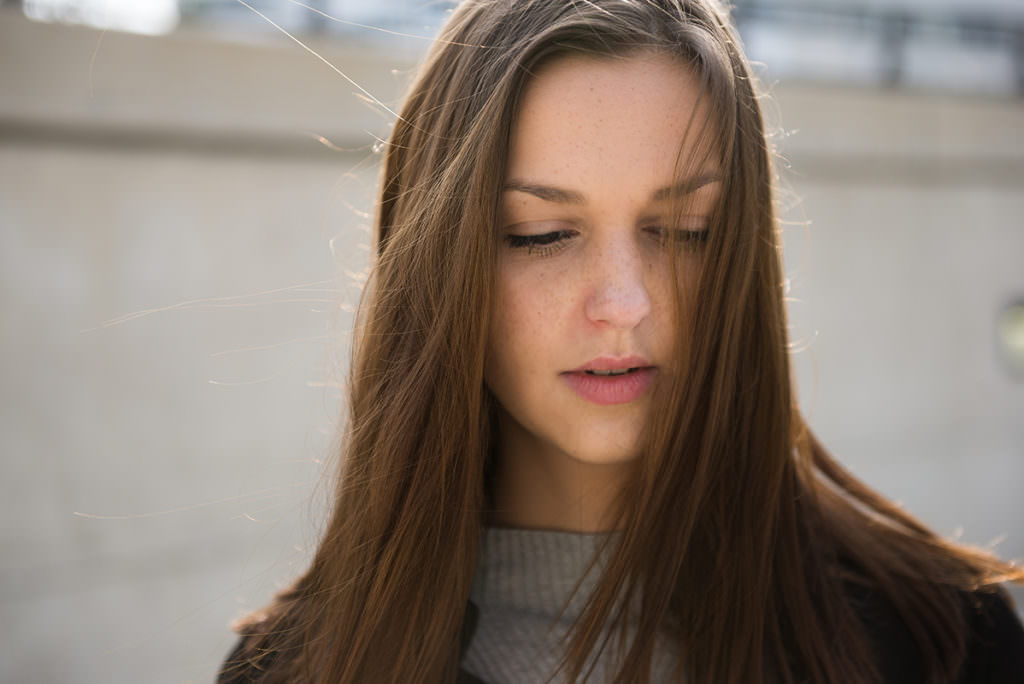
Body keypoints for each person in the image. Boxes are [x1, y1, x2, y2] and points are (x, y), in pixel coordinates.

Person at [216, 1, 1024, 682]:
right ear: (438, 266)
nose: (624, 303)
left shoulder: (945, 642)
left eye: (683, 231)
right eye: (541, 234)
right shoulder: (292, 668)